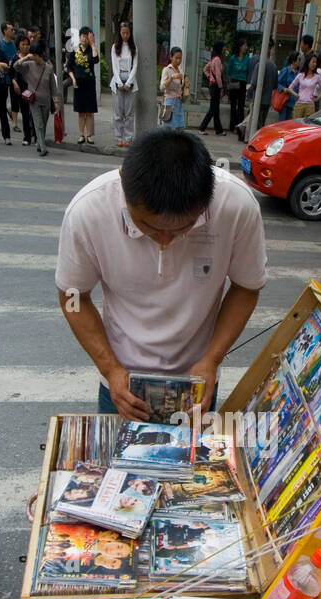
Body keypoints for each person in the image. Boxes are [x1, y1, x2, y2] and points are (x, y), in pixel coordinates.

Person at [55, 129, 267, 419]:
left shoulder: (237, 207)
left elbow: (246, 287)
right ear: (124, 190)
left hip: (198, 379)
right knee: (119, 464)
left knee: (189, 463)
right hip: (121, 380)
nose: (165, 241)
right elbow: (72, 296)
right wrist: (111, 369)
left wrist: (212, 359)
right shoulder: (88, 212)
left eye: (182, 228)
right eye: (150, 227)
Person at [15, 40, 59, 155]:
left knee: (43, 124)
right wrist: (25, 58)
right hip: (34, 100)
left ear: (39, 55)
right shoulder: (28, 65)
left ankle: (40, 144)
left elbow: (53, 87)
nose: (32, 56)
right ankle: (43, 148)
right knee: (38, 124)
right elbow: (16, 66)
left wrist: (56, 102)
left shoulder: (48, 68)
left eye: (34, 54)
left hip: (46, 101)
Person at [67, 26, 99, 145]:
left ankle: (89, 135)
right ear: (80, 37)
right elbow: (69, 67)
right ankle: (81, 135)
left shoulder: (91, 50)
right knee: (81, 112)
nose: (84, 38)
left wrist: (93, 44)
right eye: (83, 36)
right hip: (78, 84)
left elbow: (96, 60)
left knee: (89, 111)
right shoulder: (75, 51)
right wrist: (73, 79)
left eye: (87, 36)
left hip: (90, 84)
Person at [110, 21, 138, 147]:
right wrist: (119, 82)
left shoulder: (134, 48)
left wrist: (129, 82)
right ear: (120, 33)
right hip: (118, 81)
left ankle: (128, 137)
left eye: (127, 33)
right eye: (123, 33)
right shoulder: (115, 47)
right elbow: (114, 67)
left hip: (130, 82)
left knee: (129, 113)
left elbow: (135, 66)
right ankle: (118, 137)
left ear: (130, 33)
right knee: (118, 112)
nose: (125, 35)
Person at [246, 41, 277, 131]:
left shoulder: (258, 64)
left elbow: (254, 83)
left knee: (254, 121)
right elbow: (275, 85)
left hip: (257, 98)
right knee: (262, 121)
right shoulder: (273, 66)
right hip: (267, 100)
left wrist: (248, 90)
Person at [197, 40, 224, 135]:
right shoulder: (218, 60)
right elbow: (218, 75)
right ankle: (202, 128)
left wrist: (209, 77)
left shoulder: (213, 59)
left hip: (212, 85)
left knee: (215, 109)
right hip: (216, 86)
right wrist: (221, 87)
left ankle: (219, 130)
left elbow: (205, 69)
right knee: (213, 109)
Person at [286, 53, 321, 120]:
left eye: (316, 62)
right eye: (313, 62)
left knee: (306, 126)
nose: (314, 64)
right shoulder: (300, 75)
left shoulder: (317, 77)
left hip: (310, 106)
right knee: (296, 124)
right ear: (308, 62)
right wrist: (296, 95)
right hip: (299, 104)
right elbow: (290, 87)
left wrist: (317, 98)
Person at [159, 45, 187, 128]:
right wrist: (171, 78)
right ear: (171, 57)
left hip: (178, 102)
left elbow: (181, 87)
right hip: (170, 102)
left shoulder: (180, 70)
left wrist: (186, 84)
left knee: (179, 128)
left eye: (180, 58)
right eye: (176, 58)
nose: (178, 60)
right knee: (169, 129)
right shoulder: (167, 70)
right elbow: (162, 87)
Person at [226, 39, 249, 139]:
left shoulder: (247, 59)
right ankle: (232, 126)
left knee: (241, 106)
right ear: (240, 47)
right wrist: (229, 85)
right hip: (234, 82)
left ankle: (240, 126)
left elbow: (248, 72)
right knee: (233, 105)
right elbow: (228, 72)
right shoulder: (233, 58)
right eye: (245, 45)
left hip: (243, 83)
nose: (246, 48)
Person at [0, 23, 21, 131]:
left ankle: (14, 123)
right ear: (5, 31)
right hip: (2, 74)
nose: (13, 31)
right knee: (1, 98)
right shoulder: (0, 44)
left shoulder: (13, 45)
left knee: (14, 98)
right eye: (11, 30)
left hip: (12, 73)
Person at [276, 52, 298, 121]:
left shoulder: (298, 73)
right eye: (298, 60)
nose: (299, 61)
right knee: (282, 122)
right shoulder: (286, 70)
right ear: (293, 61)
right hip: (284, 101)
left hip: (293, 103)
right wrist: (283, 89)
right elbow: (276, 83)